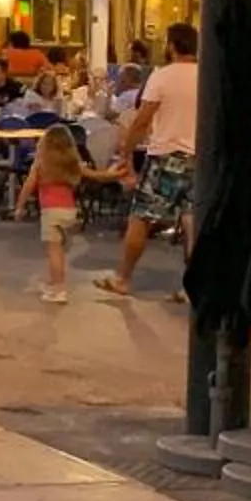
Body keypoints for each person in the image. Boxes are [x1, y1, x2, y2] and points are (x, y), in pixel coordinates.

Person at [97, 21, 199, 299]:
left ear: (172, 45)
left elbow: (143, 119)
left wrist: (126, 151)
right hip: (199, 159)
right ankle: (192, 287)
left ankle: (123, 278)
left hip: (166, 156)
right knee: (193, 223)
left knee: (141, 218)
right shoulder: (208, 75)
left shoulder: (162, 76)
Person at [18, 124, 87, 304]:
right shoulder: (70, 164)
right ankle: (55, 283)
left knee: (54, 252)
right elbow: (84, 177)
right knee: (61, 251)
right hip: (69, 211)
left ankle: (58, 289)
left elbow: (28, 186)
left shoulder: (41, 165)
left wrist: (20, 206)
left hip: (51, 212)